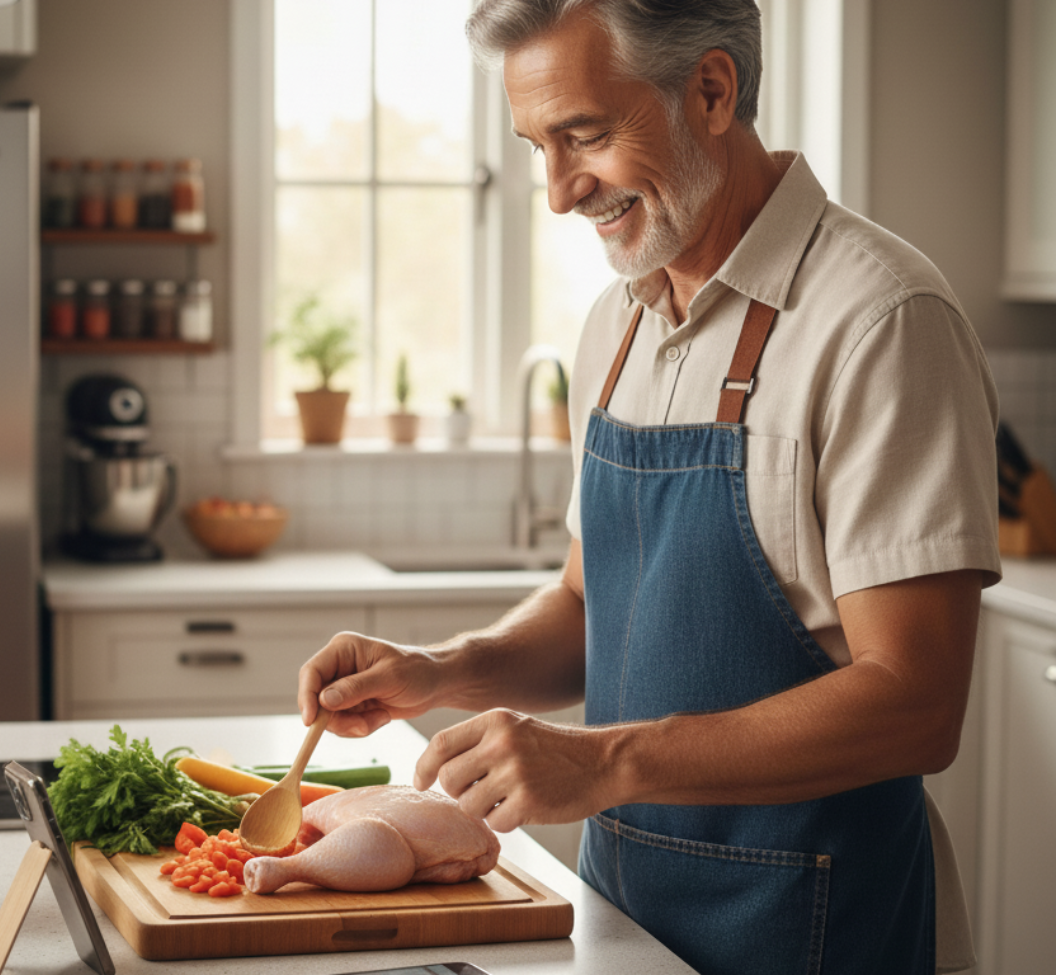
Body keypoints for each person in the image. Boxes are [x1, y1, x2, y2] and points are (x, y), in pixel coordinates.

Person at [297, 2, 1000, 973]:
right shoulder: (616, 323)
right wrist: (439, 670)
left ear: (710, 91)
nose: (557, 191)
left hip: (817, 915)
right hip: (630, 912)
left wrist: (599, 760)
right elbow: (596, 610)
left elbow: (916, 703)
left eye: (583, 135)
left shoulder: (878, 321)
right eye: (538, 146)